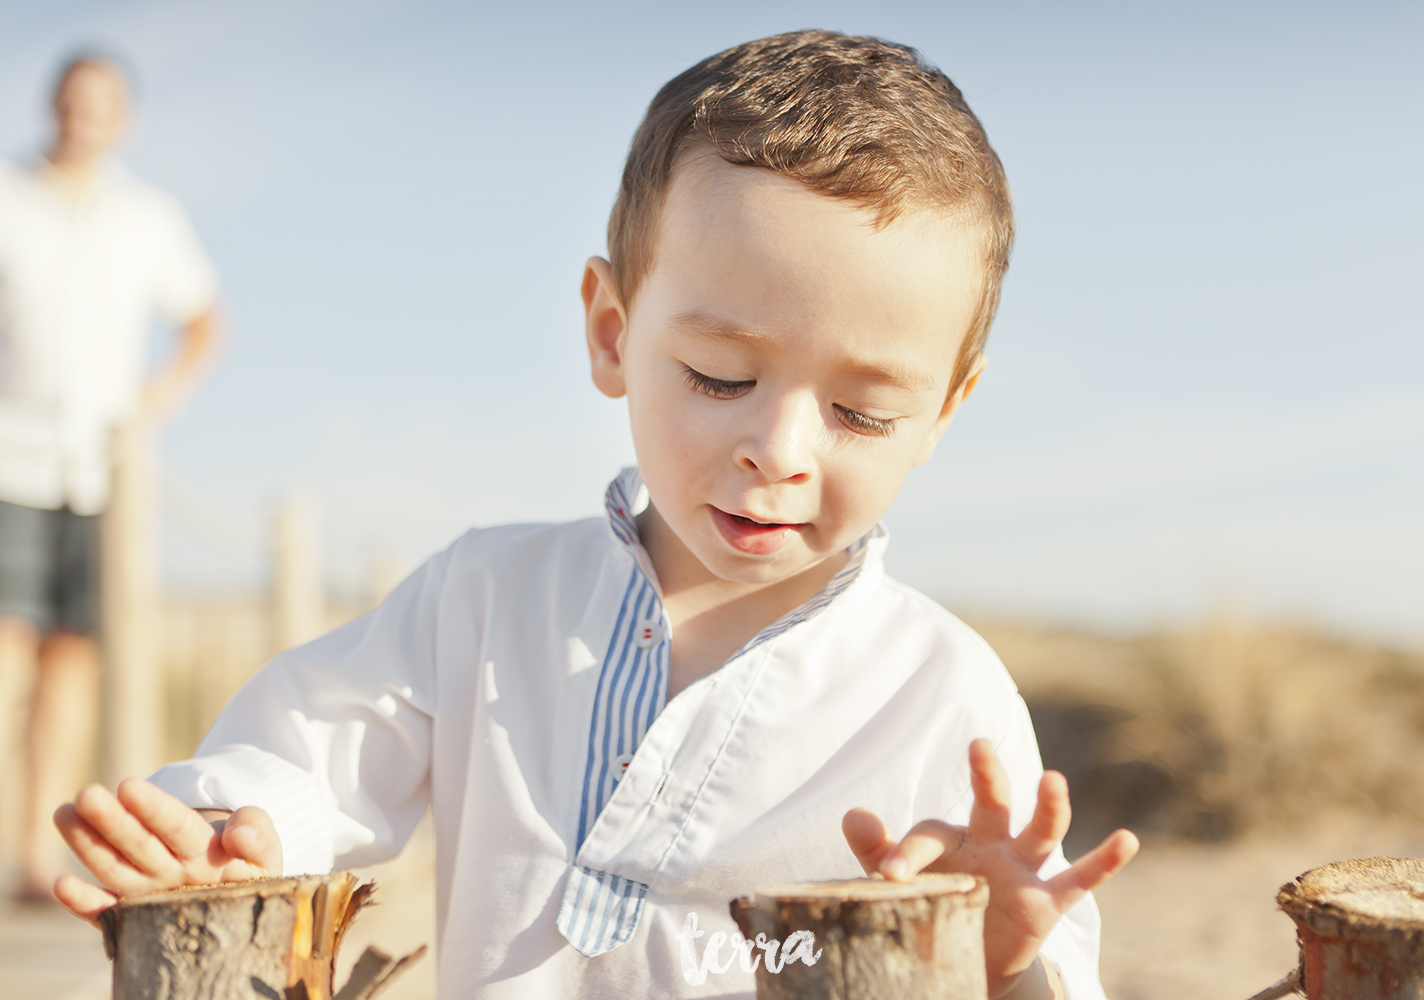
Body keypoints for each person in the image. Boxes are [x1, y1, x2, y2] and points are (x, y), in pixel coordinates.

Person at [50, 31, 1137, 999]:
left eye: (861, 410)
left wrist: (1002, 966)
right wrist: (226, 832)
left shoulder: (939, 693)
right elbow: (310, 753)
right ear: (613, 331)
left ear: (945, 407)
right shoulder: (484, 599)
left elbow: (1040, 964)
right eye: (719, 375)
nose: (782, 448)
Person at [0, 53, 220, 899]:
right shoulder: (9, 196)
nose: (80, 116)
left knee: (69, 660)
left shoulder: (148, 216)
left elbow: (204, 318)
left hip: (99, 474)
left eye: (100, 105)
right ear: (51, 105)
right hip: (9, 458)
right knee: (8, 654)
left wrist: (153, 402)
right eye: (69, 100)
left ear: (120, 119)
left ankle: (29, 854)